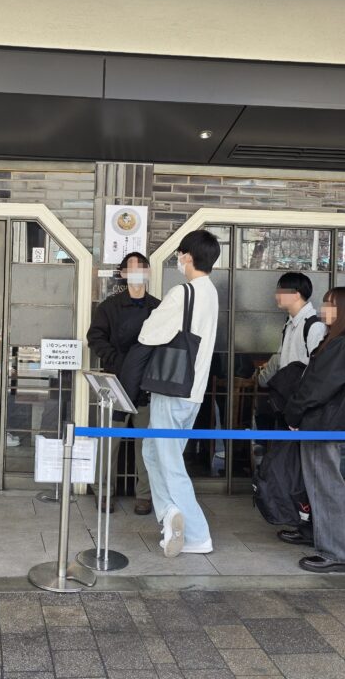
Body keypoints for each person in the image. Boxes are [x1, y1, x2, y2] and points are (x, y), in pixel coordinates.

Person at [136, 229, 220, 557]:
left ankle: (197, 533)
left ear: (188, 256)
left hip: (172, 388)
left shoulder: (182, 293)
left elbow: (149, 333)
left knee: (169, 462)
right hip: (193, 391)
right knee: (154, 453)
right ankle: (170, 513)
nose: (179, 261)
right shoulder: (211, 292)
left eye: (180, 255)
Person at [284, 287, 345, 573]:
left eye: (331, 305)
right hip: (324, 425)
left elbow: (316, 388)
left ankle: (334, 554)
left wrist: (294, 412)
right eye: (325, 303)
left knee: (326, 486)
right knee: (321, 485)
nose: (324, 309)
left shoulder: (342, 344)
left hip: (322, 425)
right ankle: (326, 546)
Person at [86, 252, 161, 514]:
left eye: (142, 268)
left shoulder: (158, 307)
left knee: (147, 443)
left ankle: (145, 495)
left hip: (147, 385)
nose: (137, 273)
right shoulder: (109, 307)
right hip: (115, 383)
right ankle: (103, 492)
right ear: (123, 274)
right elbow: (95, 338)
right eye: (132, 268)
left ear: (148, 272)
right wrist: (117, 360)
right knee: (109, 441)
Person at [256, 272, 327, 545]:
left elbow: (316, 373)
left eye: (281, 291)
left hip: (302, 410)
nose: (276, 296)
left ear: (296, 294)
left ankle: (314, 529)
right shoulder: (290, 324)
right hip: (288, 407)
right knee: (294, 470)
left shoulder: (313, 326)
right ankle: (302, 523)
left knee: (306, 470)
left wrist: (300, 410)